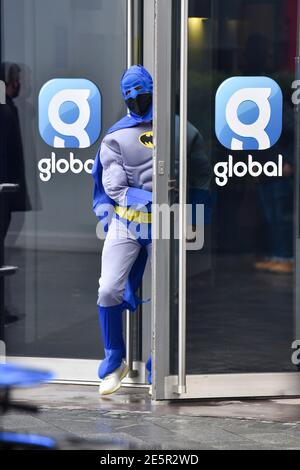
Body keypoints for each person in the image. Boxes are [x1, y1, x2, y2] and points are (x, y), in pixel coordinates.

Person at [92, 65, 211, 396]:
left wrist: (194, 216)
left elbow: (200, 174)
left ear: (153, 91)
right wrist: (154, 195)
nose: (136, 99)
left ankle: (160, 362)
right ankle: (114, 358)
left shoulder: (180, 129)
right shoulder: (115, 136)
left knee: (168, 294)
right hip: (127, 221)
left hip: (167, 220)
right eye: (129, 93)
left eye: (140, 92)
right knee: (108, 289)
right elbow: (114, 187)